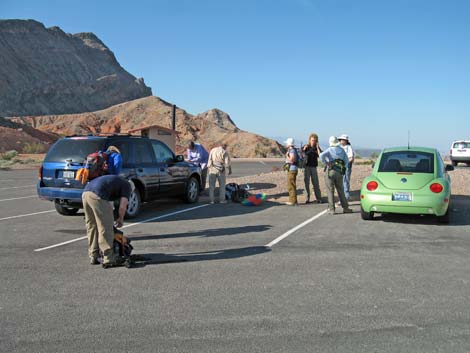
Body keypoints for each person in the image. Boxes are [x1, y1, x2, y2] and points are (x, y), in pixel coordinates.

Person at [82, 175, 131, 267]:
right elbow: (122, 206)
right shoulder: (127, 186)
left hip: (85, 193)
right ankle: (108, 258)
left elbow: (109, 204)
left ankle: (93, 255)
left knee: (92, 226)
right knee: (105, 228)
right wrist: (120, 219)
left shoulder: (115, 181)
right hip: (98, 195)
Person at [319, 136, 353, 214]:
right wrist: (342, 167)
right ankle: (345, 208)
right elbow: (347, 161)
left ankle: (332, 209)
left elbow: (321, 155)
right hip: (339, 172)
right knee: (341, 190)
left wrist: (325, 162)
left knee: (330, 190)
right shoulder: (342, 150)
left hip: (330, 171)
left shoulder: (330, 150)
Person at [302, 133, 323, 204]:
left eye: (315, 140)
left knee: (316, 183)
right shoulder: (306, 146)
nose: (313, 142)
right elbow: (301, 153)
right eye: (312, 140)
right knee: (306, 183)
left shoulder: (316, 148)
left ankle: (319, 198)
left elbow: (321, 155)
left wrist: (317, 147)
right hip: (306, 167)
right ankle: (307, 198)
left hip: (314, 167)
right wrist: (304, 149)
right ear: (309, 140)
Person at [338, 134, 354, 200]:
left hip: (346, 166)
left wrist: (345, 163)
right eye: (340, 140)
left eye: (342, 140)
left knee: (345, 180)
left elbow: (351, 158)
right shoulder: (339, 147)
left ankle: (346, 196)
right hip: (340, 166)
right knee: (341, 181)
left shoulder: (348, 147)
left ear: (345, 141)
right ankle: (343, 195)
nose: (341, 141)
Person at [285, 138, 299, 206]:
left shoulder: (292, 150)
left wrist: (287, 155)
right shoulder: (293, 150)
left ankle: (292, 201)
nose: (286, 144)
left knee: (291, 185)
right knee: (292, 184)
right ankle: (294, 200)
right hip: (293, 169)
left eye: (287, 143)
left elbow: (291, 160)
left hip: (292, 169)